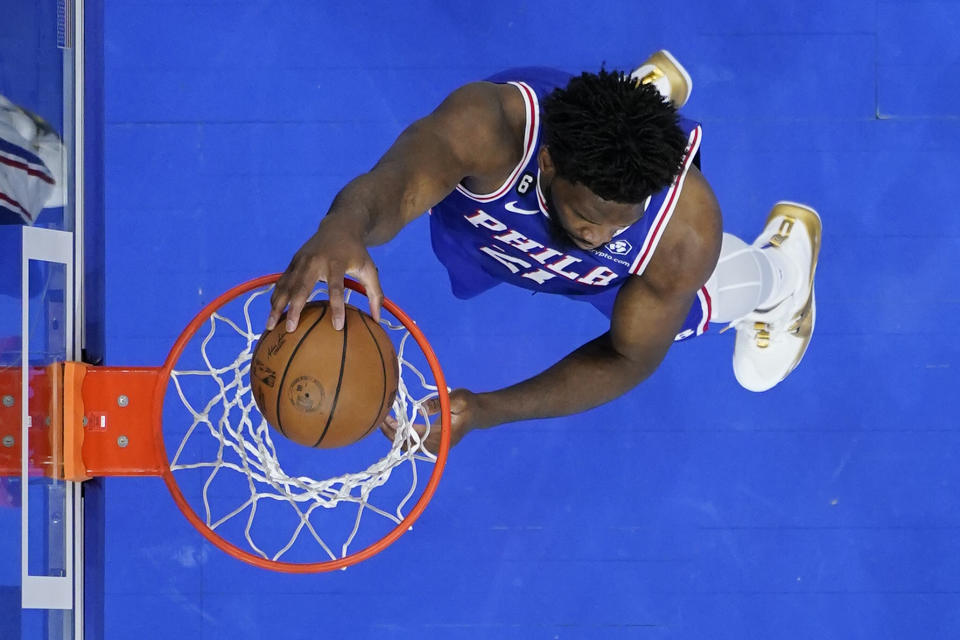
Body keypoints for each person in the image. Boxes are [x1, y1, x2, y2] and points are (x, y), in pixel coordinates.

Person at [266, 51, 822, 452]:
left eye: (617, 222)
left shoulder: (683, 231)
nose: (599, 236)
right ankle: (635, 104)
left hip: (612, 275)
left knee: (697, 304)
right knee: (556, 195)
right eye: (588, 217)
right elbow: (400, 184)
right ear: (550, 161)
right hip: (487, 236)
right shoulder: (489, 129)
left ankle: (782, 275)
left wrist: (487, 410)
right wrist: (343, 226)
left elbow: (628, 358)